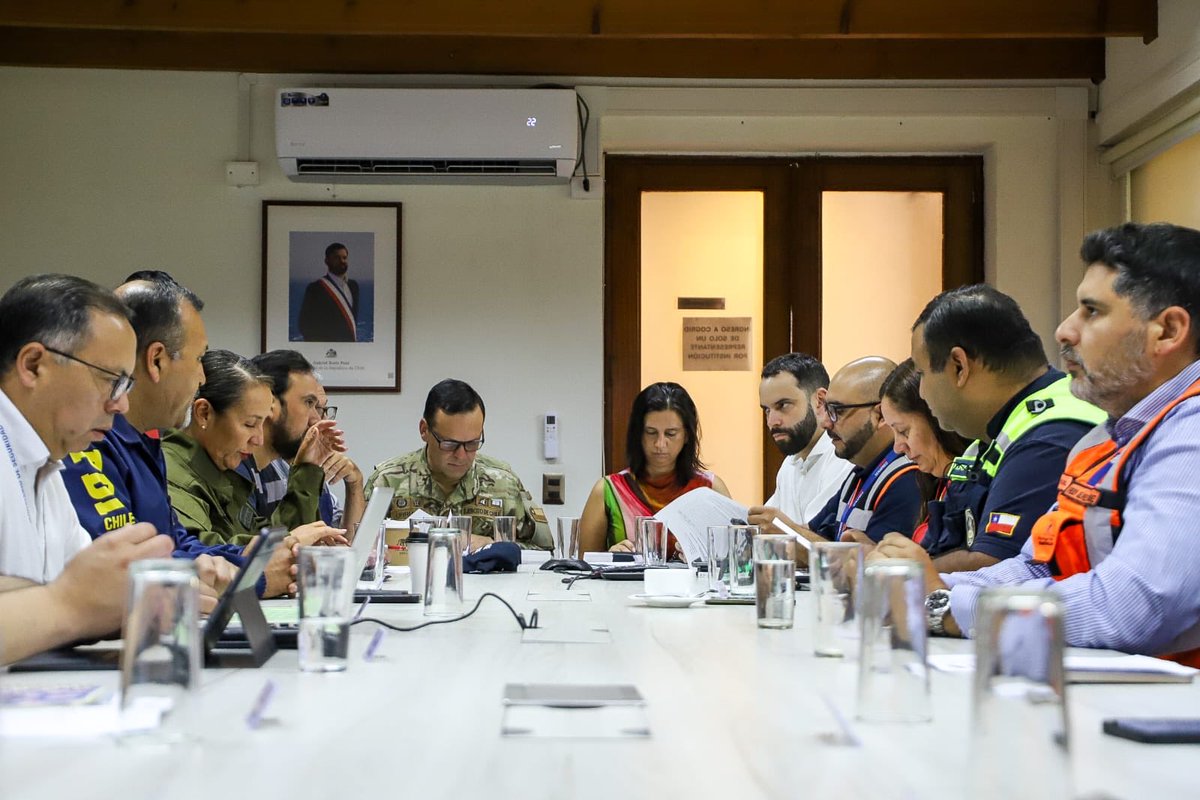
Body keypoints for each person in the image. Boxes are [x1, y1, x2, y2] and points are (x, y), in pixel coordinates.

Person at [875, 222, 1200, 665]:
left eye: (1092, 311)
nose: (1065, 330)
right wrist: (930, 589)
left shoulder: (1190, 431)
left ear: (1167, 331)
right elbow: (1039, 565)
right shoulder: (1110, 436)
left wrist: (946, 606)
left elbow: (1133, 604)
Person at [61, 273, 307, 597]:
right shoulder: (88, 440)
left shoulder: (145, 441)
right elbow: (124, 567)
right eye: (199, 359)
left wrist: (251, 558)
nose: (202, 377)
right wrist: (253, 576)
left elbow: (176, 543)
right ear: (157, 360)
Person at [0, 274, 179, 664]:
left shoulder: (47, 462)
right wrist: (68, 605)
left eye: (126, 386)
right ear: (34, 365)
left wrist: (146, 596)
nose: (121, 405)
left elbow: (91, 589)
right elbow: (72, 598)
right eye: (112, 380)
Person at [909, 284, 1106, 571]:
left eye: (922, 373)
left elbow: (997, 566)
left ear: (959, 366)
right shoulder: (995, 434)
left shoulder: (1049, 437)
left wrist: (895, 571)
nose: (922, 392)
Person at [162, 349, 345, 548]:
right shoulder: (170, 474)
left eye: (262, 423)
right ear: (204, 413)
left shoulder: (219, 471)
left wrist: (307, 470)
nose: (259, 439)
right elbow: (200, 554)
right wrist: (289, 541)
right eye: (250, 424)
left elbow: (267, 536)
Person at [367, 379, 552, 550]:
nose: (461, 455)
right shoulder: (387, 482)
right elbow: (360, 551)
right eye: (450, 444)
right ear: (424, 430)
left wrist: (492, 545)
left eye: (472, 443)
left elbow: (545, 553)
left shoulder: (504, 483)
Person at [579, 382, 731, 556]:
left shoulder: (710, 489)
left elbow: (736, 560)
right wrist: (608, 558)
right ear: (638, 434)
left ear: (687, 435)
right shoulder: (608, 491)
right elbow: (583, 564)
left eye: (671, 433)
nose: (660, 444)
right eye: (651, 432)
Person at [795, 357, 923, 550]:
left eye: (838, 411)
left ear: (880, 415)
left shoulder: (906, 479)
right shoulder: (860, 473)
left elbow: (871, 563)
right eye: (827, 409)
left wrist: (780, 530)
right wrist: (776, 528)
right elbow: (814, 534)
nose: (826, 423)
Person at [242, 350, 365, 537]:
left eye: (321, 408)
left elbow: (338, 538)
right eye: (309, 403)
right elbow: (262, 547)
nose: (317, 419)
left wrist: (355, 483)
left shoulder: (306, 467)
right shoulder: (237, 466)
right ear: (269, 404)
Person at [748, 353, 852, 535]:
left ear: (820, 401)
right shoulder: (790, 463)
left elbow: (821, 540)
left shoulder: (843, 458)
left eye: (783, 405)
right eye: (767, 410)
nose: (772, 422)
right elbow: (764, 529)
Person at [878, 358, 970, 547]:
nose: (898, 447)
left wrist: (909, 561)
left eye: (903, 431)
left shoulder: (980, 481)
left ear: (936, 417)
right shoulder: (934, 481)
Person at [297, 242, 360, 342]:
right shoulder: (315, 288)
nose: (342, 261)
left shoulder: (353, 286)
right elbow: (304, 325)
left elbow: (352, 321)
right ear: (327, 261)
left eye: (344, 258)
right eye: (337, 258)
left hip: (349, 347)